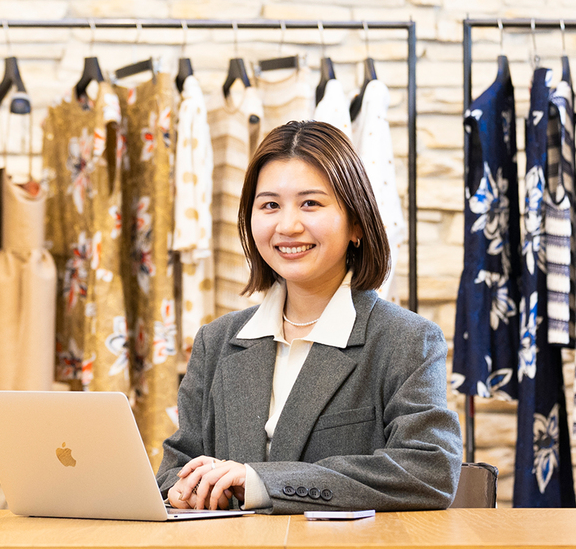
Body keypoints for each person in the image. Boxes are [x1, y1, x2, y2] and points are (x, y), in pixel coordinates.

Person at [156, 120, 462, 514]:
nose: (288, 226)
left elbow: (429, 471)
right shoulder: (216, 342)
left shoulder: (406, 340)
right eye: (270, 205)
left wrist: (262, 482)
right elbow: (173, 469)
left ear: (356, 223)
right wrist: (182, 489)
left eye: (310, 204)